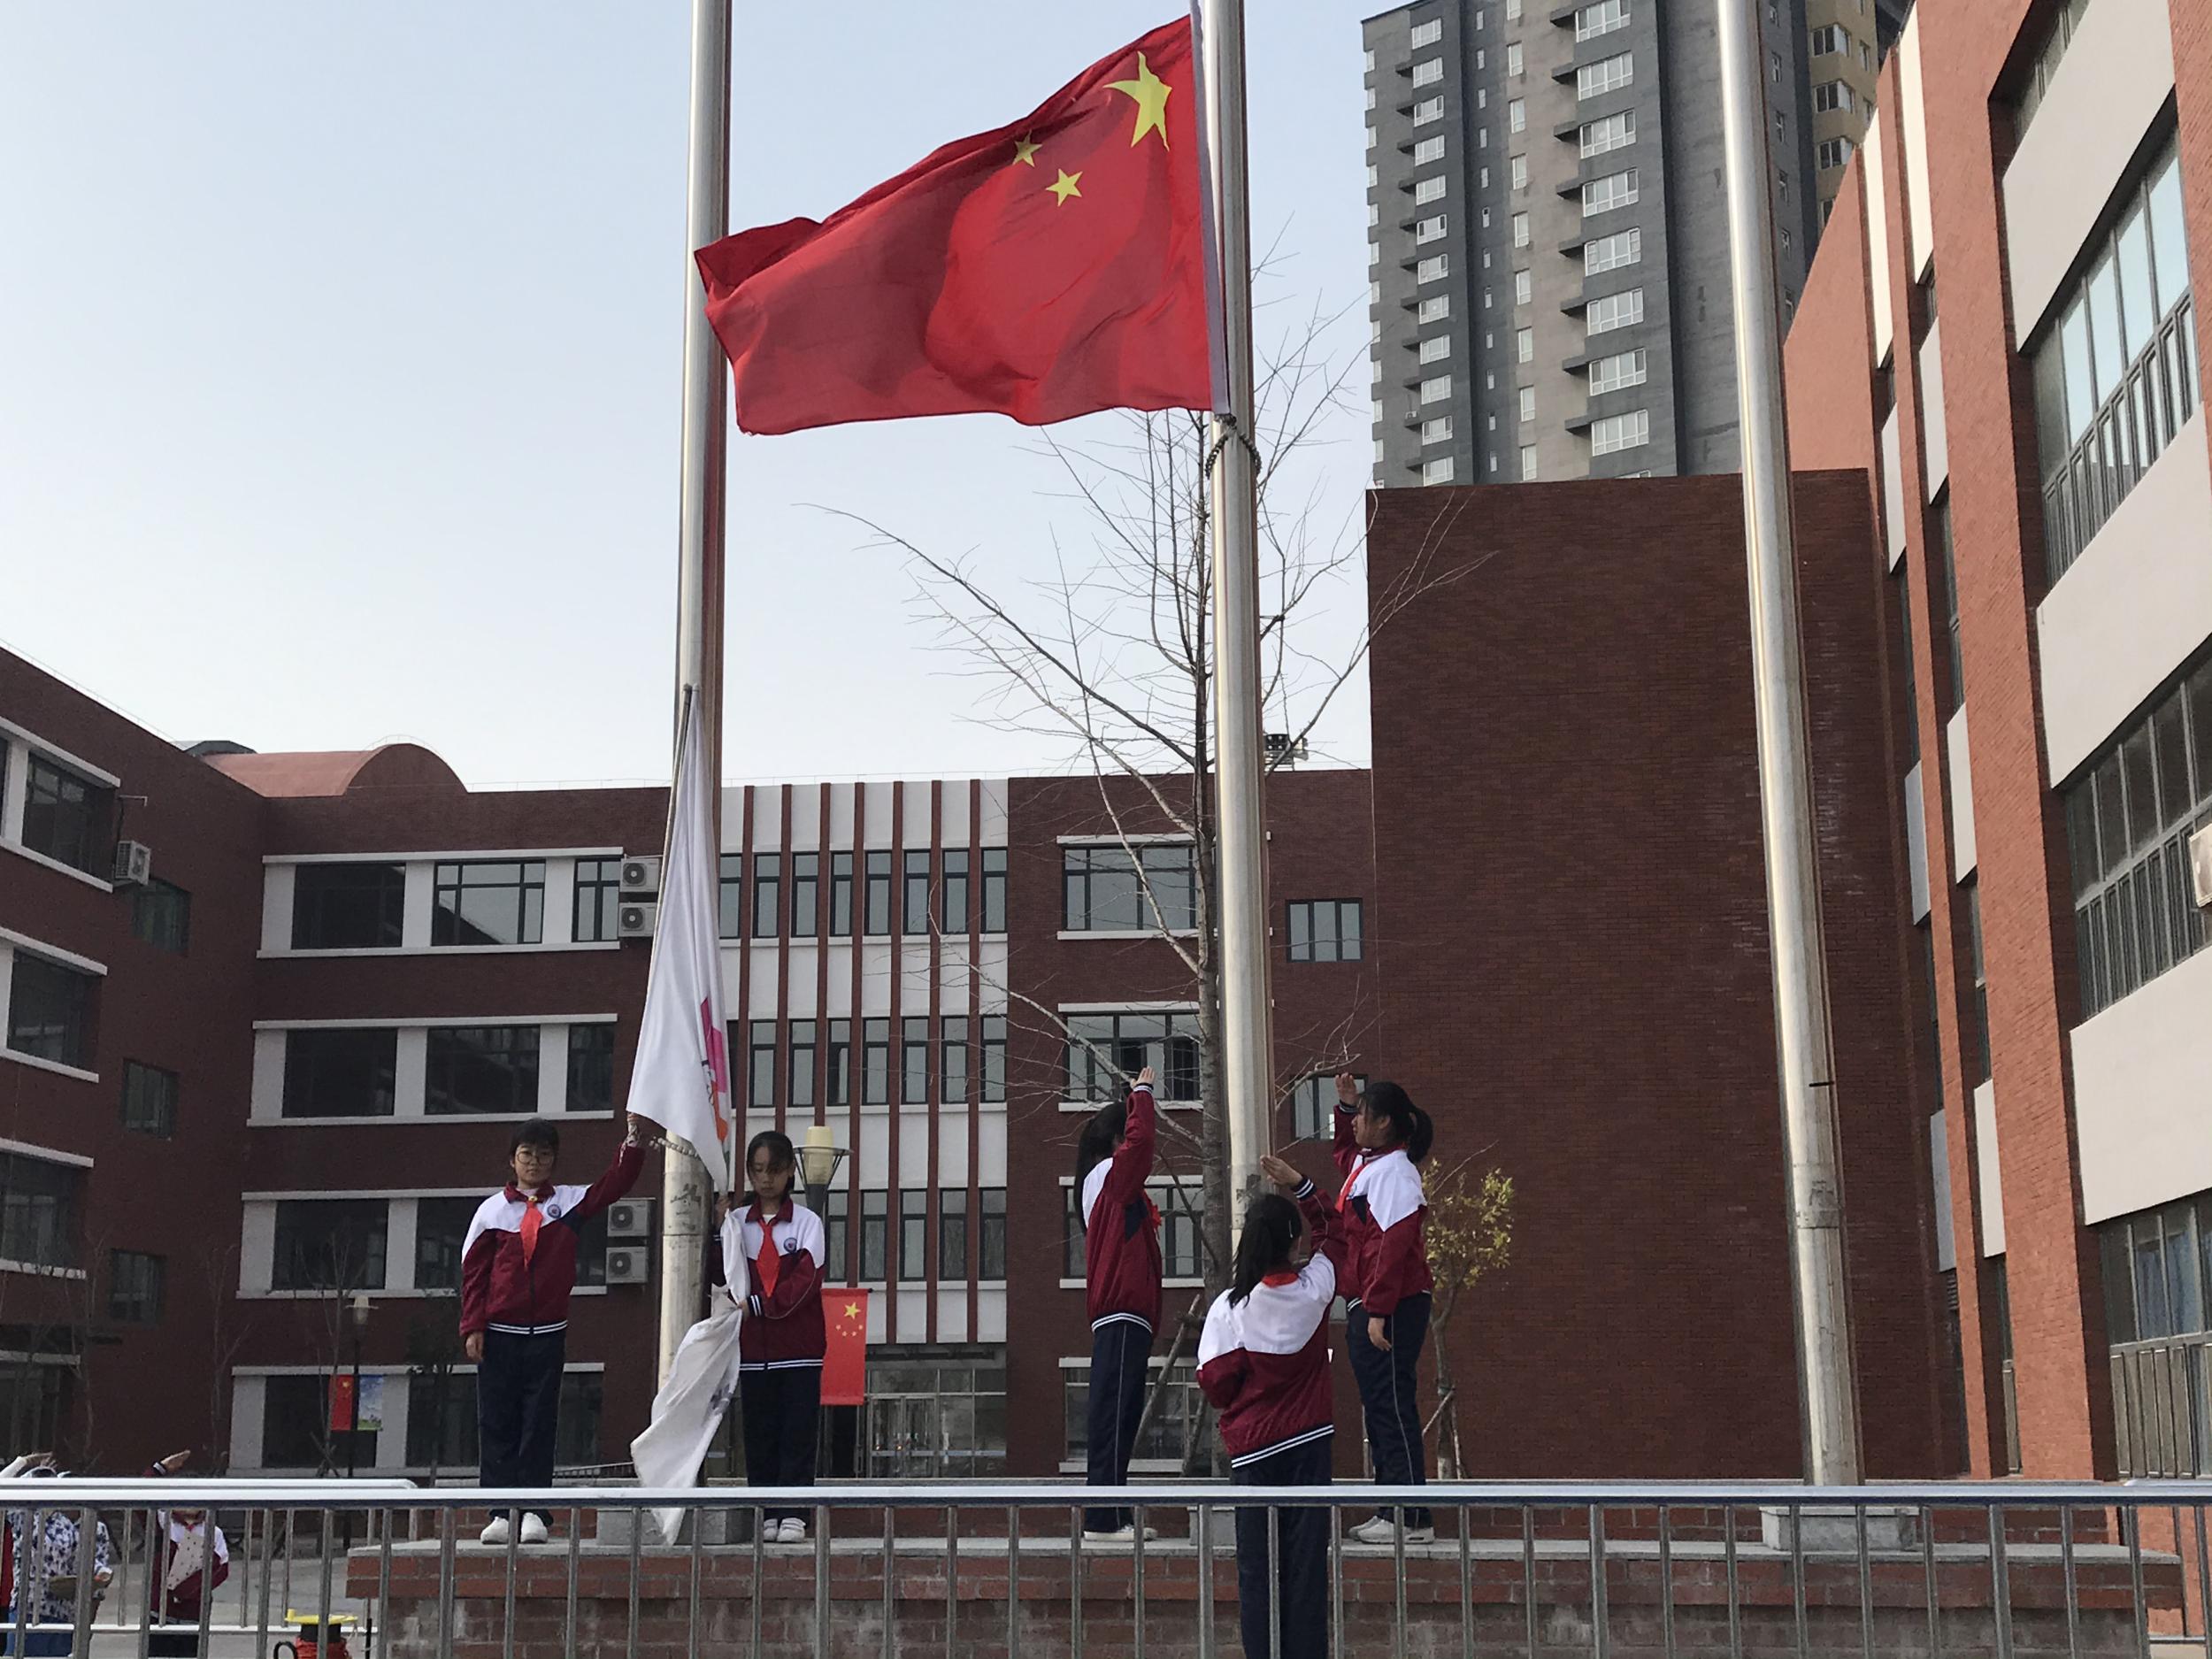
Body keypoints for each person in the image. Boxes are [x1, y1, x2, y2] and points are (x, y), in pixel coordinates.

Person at [460, 1113, 657, 1547]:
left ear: (554, 1161)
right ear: (512, 1160)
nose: (535, 1162)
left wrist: (633, 1144)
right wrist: (473, 1326)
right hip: (499, 1332)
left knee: (538, 1422)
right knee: (496, 1422)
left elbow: (614, 1186)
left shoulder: (567, 1202)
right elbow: (474, 1275)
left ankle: (533, 1510)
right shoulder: (491, 1212)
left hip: (547, 1332)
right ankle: (499, 1510)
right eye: (527, 1154)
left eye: (544, 1154)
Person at [1197, 1154, 1347, 1659]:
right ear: (1293, 1243)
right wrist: (1302, 1185)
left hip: (1255, 1454)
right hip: (1309, 1447)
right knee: (1307, 1569)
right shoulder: (1314, 1290)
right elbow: (1335, 1231)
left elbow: (1216, 1385)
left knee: (1258, 1573)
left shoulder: (1230, 1308)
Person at [708, 1131, 826, 1543]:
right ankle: (766, 1510)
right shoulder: (737, 1224)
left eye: (774, 1170)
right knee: (759, 1433)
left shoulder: (809, 1223)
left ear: (790, 1172)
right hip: (753, 1350)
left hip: (799, 1349)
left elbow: (806, 1282)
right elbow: (721, 1276)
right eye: (757, 1171)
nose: (766, 1179)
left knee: (797, 1431)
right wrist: (717, 1230)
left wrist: (760, 1305)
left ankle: (793, 1512)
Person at [1333, 1072, 1436, 1543]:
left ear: (1386, 1123)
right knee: (1380, 1405)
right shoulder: (1375, 1164)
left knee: (1391, 1403)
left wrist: (1376, 1309)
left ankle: (1409, 1515)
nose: (1357, 1125)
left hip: (1391, 1303)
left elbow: (1392, 1246)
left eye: (1364, 1118)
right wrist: (1346, 1107)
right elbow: (1345, 1159)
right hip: (1376, 1299)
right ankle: (1393, 1505)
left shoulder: (1395, 1172)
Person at [1077, 1064, 1162, 1542]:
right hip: (1122, 1310)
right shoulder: (1110, 1176)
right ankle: (1103, 1517)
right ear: (1115, 1140)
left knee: (1123, 1413)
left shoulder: (1108, 1185)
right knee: (1113, 1412)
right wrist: (1142, 1095)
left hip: (1128, 1314)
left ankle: (1112, 1511)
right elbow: (1141, 1147)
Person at [2, 1462, 113, 1656]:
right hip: (27, 1608)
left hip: (62, 1612)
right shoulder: (23, 1516)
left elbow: (80, 1561)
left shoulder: (68, 1526)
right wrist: (22, 1462)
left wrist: (99, 1573)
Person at [144, 1448, 227, 1657]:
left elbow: (220, 1570)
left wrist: (185, 1591)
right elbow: (143, 1493)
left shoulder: (212, 1532)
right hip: (160, 1611)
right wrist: (160, 1469)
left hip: (194, 1612)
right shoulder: (162, 1522)